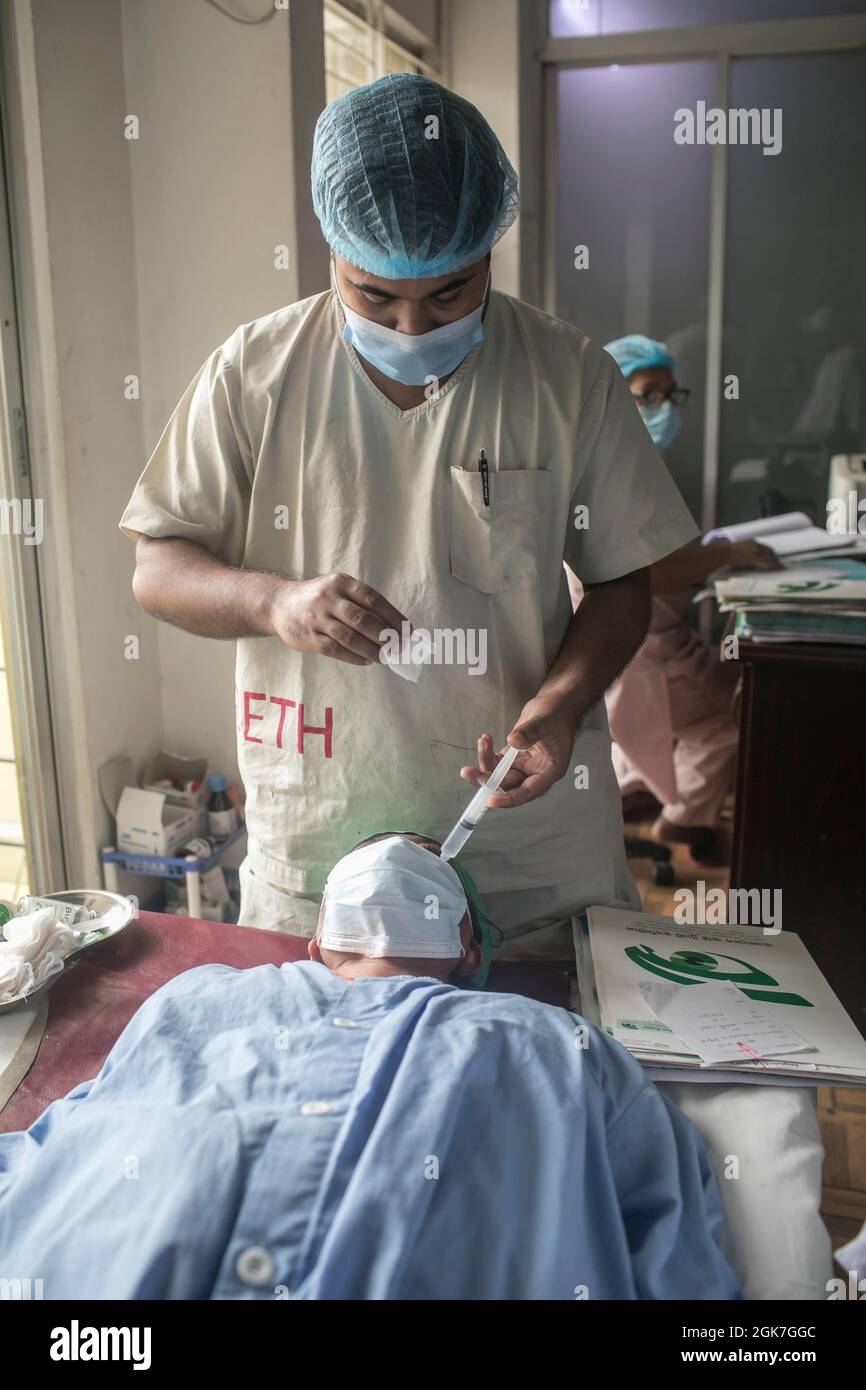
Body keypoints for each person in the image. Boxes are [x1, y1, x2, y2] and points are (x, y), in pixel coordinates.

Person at [121, 74, 699, 958]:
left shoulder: (565, 376)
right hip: (324, 843)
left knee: (544, 1070)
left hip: (522, 844)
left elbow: (624, 580)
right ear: (332, 253)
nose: (411, 323)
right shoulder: (256, 373)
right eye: (374, 296)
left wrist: (559, 701)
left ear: (490, 255)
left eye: (448, 295)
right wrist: (272, 603)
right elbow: (157, 567)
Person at [0, 835, 740, 1301]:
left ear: (318, 943)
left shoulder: (196, 999)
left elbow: (60, 1138)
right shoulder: (560, 1045)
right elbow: (677, 1243)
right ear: (472, 952)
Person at [578, 334, 781, 861]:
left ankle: (632, 792)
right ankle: (686, 824)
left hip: (618, 649)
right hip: (642, 646)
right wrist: (727, 555)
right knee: (726, 719)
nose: (664, 409)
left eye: (671, 396)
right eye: (647, 396)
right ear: (611, 394)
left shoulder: (613, 457)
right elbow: (647, 574)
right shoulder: (614, 470)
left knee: (643, 722)